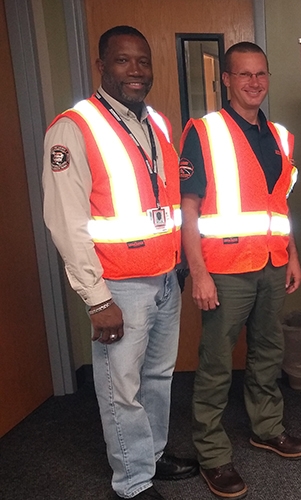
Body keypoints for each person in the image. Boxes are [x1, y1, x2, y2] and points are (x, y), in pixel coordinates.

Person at [42, 25, 198, 500]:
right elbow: (66, 223)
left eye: (143, 62)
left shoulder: (158, 123)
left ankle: (150, 456)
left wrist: (179, 264)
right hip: (118, 286)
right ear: (102, 66)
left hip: (165, 278)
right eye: (123, 61)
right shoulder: (74, 127)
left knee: (157, 377)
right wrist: (96, 299)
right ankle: (132, 481)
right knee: (120, 388)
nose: (136, 71)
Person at [179, 41, 301, 499]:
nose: (254, 82)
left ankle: (266, 428)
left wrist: (291, 254)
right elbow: (188, 207)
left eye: (261, 74)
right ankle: (213, 454)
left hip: (272, 264)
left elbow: (278, 204)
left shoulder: (280, 136)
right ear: (227, 80)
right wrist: (197, 272)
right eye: (244, 75)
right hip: (224, 269)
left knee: (268, 353)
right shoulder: (204, 131)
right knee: (216, 362)